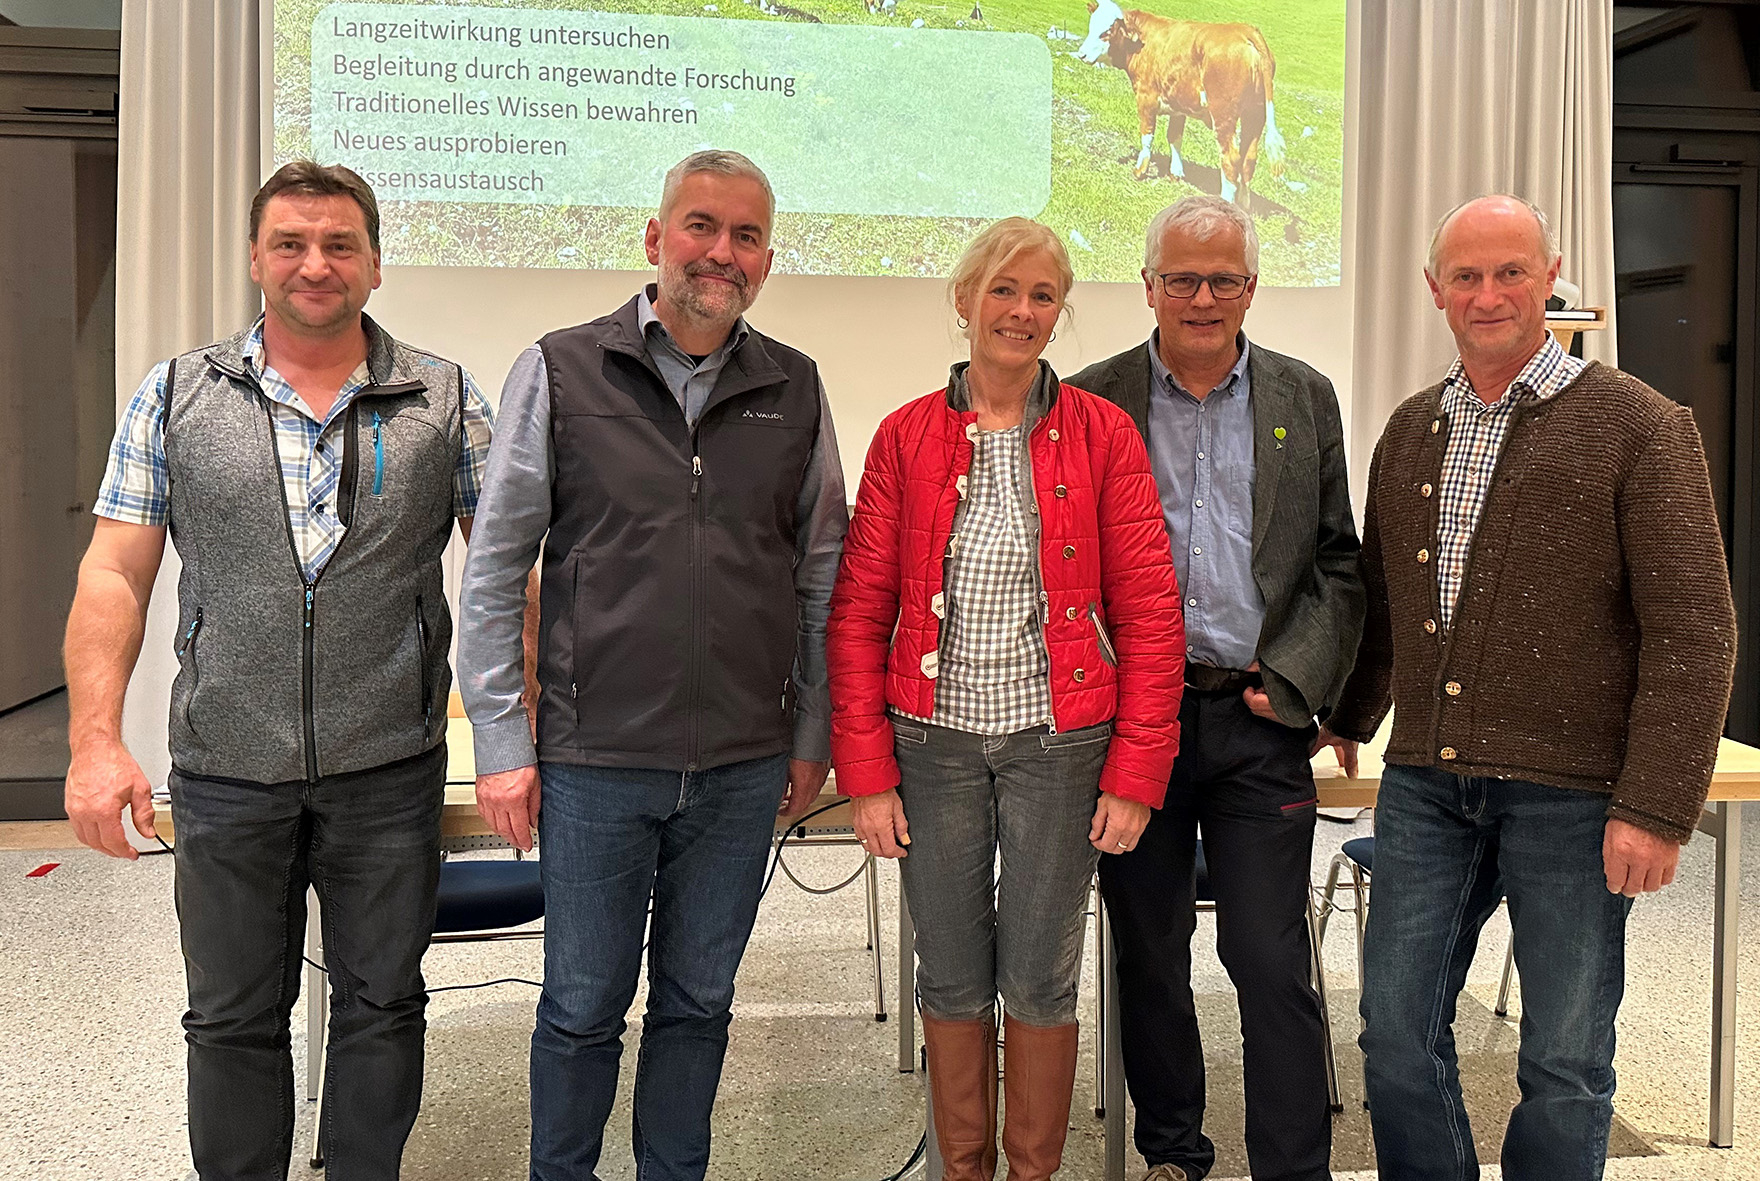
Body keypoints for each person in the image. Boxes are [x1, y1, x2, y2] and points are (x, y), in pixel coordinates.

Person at [62, 161, 494, 1179]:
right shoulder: (177, 393)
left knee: (383, 1002)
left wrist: (527, 729)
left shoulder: (443, 397)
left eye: (340, 244)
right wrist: (94, 740)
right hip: (226, 766)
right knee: (230, 1016)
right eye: (290, 243)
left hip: (387, 765)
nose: (315, 264)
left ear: (375, 264)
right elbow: (114, 573)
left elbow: (509, 575)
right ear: (255, 259)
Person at [1319, 194, 1736, 1181]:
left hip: (1574, 795)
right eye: (1465, 275)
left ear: (1550, 279)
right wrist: (1350, 710)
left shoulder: (1641, 425)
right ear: (1434, 290)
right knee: (1394, 1033)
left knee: (1564, 1058)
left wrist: (1654, 807)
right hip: (1428, 782)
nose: (1488, 294)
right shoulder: (1410, 430)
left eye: (1510, 272)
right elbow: (1386, 593)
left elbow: (1695, 631)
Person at [457, 149, 848, 1181]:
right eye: (701, 226)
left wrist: (811, 731)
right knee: (582, 1006)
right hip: (596, 759)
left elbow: (821, 578)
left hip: (743, 762)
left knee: (698, 1002)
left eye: (747, 235)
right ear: (654, 238)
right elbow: (494, 569)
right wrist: (500, 741)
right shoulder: (561, 368)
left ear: (766, 259)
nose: (722, 252)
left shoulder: (795, 386)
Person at [828, 217, 1186, 1181]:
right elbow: (859, 613)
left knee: (1039, 977)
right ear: (964, 300)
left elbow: (1151, 614)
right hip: (931, 745)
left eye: (1042, 296)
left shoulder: (1103, 434)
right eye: (1003, 290)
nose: (1022, 312)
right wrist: (866, 774)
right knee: (948, 973)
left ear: (1058, 313)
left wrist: (1136, 774)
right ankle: (964, 1170)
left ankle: (1033, 1172)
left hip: (1061, 748)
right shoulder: (906, 436)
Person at [1066, 194, 1362, 1181]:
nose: (1202, 298)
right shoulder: (1091, 398)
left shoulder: (1302, 397)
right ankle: (1172, 1155)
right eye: (1183, 279)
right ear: (1148, 285)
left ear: (1250, 286)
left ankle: (1293, 1167)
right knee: (1148, 952)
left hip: (1254, 720)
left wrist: (1302, 680)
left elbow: (1336, 560)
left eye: (1222, 279)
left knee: (1268, 958)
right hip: (1131, 729)